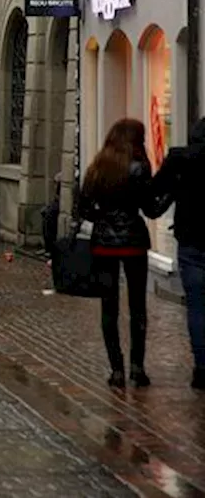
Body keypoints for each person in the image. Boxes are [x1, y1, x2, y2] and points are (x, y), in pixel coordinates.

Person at [80, 118, 170, 389]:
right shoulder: (139, 168)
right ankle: (136, 367)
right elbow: (151, 209)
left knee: (109, 306)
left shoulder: (98, 167)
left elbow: (84, 207)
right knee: (137, 306)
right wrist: (170, 195)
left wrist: (103, 219)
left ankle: (116, 368)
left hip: (104, 244)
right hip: (133, 240)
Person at [155, 118, 205, 389]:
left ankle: (202, 367)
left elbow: (155, 189)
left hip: (191, 241)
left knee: (197, 306)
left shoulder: (179, 159)